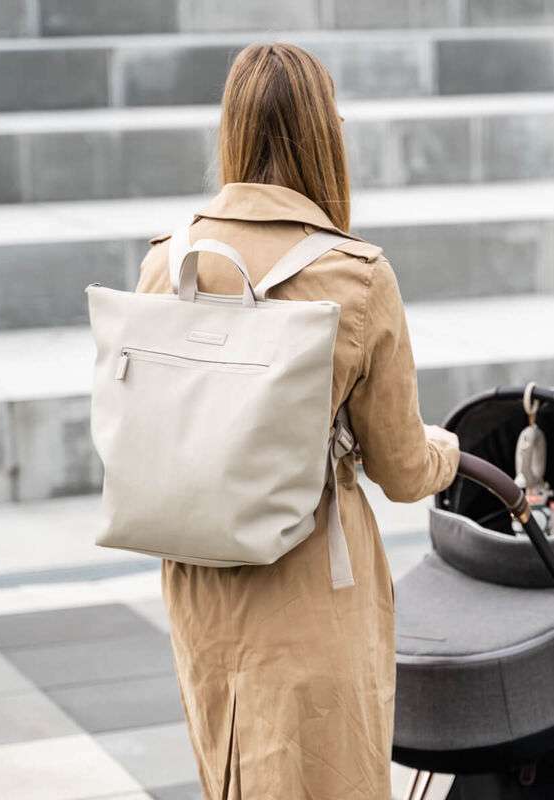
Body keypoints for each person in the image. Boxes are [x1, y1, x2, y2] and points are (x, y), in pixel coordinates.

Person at [135, 42, 460, 800]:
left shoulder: (167, 262)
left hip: (200, 582)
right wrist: (447, 449)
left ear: (233, 130)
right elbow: (403, 470)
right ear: (325, 134)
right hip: (310, 583)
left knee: (234, 777)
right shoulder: (353, 276)